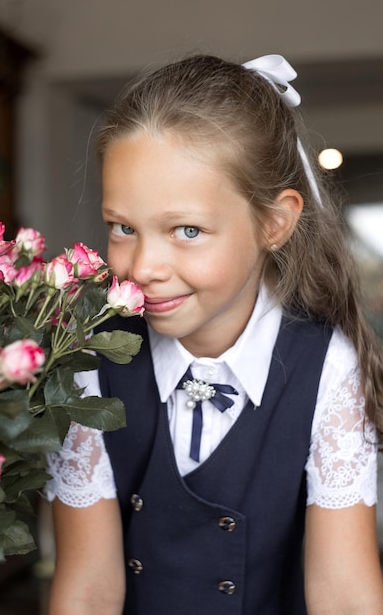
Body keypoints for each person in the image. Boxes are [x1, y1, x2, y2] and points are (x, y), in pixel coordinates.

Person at [46, 54, 383, 615]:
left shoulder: (327, 365)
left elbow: (345, 596)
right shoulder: (88, 360)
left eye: (187, 230)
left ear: (274, 223)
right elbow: (87, 590)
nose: (145, 266)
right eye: (123, 227)